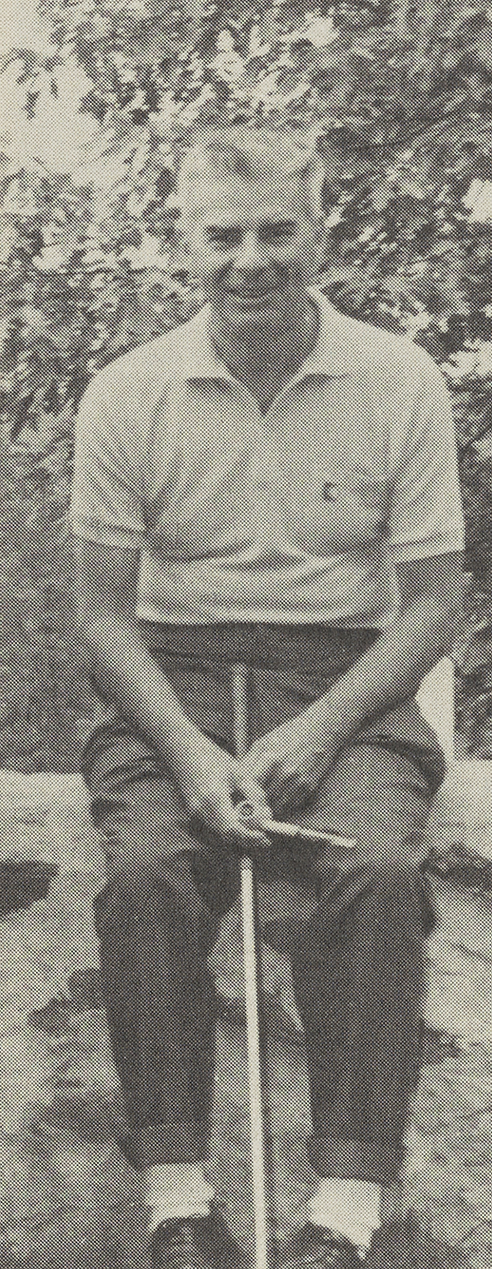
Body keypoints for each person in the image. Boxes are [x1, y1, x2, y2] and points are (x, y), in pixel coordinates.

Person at [70, 127, 464, 1269]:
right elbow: (100, 618)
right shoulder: (125, 393)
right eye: (222, 234)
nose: (251, 259)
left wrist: (320, 727)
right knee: (146, 875)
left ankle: (343, 1214)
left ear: (321, 233)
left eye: (277, 231)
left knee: (377, 876)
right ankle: (178, 1203)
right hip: (171, 673)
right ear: (184, 242)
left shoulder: (398, 380)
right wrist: (192, 757)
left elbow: (436, 606)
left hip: (346, 671)